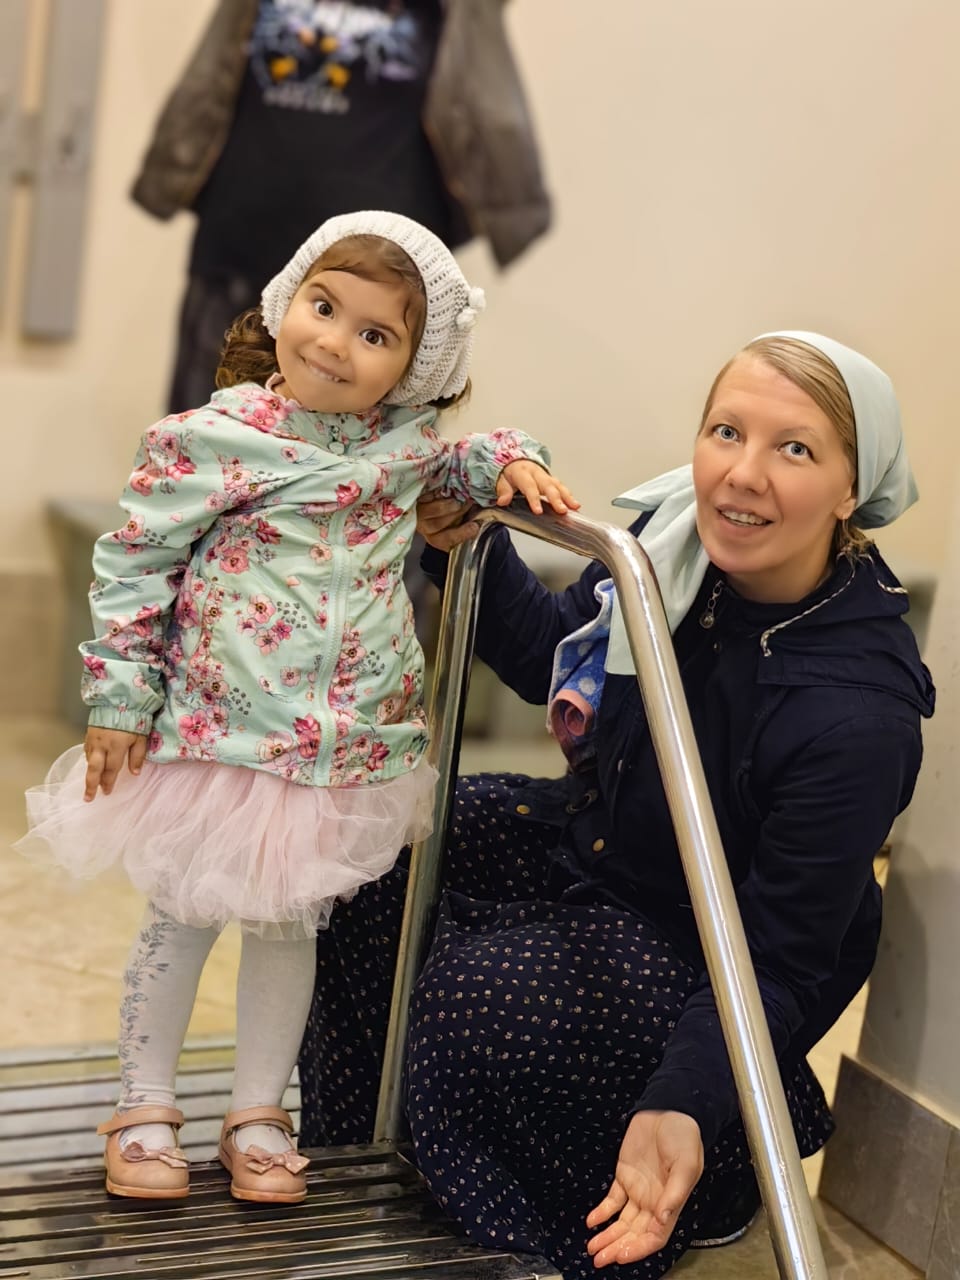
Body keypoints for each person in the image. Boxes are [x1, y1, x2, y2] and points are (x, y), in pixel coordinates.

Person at [297, 331, 935, 1276]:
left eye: (795, 449)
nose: (743, 475)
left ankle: (697, 1176)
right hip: (603, 851)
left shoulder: (856, 712)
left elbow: (782, 962)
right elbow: (552, 656)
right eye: (727, 432)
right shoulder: (673, 554)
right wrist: (466, 542)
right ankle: (367, 1155)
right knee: (370, 848)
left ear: (852, 488)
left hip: (705, 954)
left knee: (478, 1000)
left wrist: (686, 1101)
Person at [16, 210, 577, 1206]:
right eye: (324, 307)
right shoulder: (212, 438)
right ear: (286, 303)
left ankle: (258, 1112)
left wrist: (512, 459)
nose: (335, 342)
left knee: (288, 930)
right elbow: (134, 567)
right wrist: (119, 698)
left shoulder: (404, 448)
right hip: (216, 737)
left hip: (335, 753)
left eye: (375, 333)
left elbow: (469, 454)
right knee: (181, 917)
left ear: (411, 369)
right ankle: (143, 1104)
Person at [131, 0, 550, 414]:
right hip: (240, 246)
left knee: (375, 451)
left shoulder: (450, 11)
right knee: (203, 432)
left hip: (385, 277)